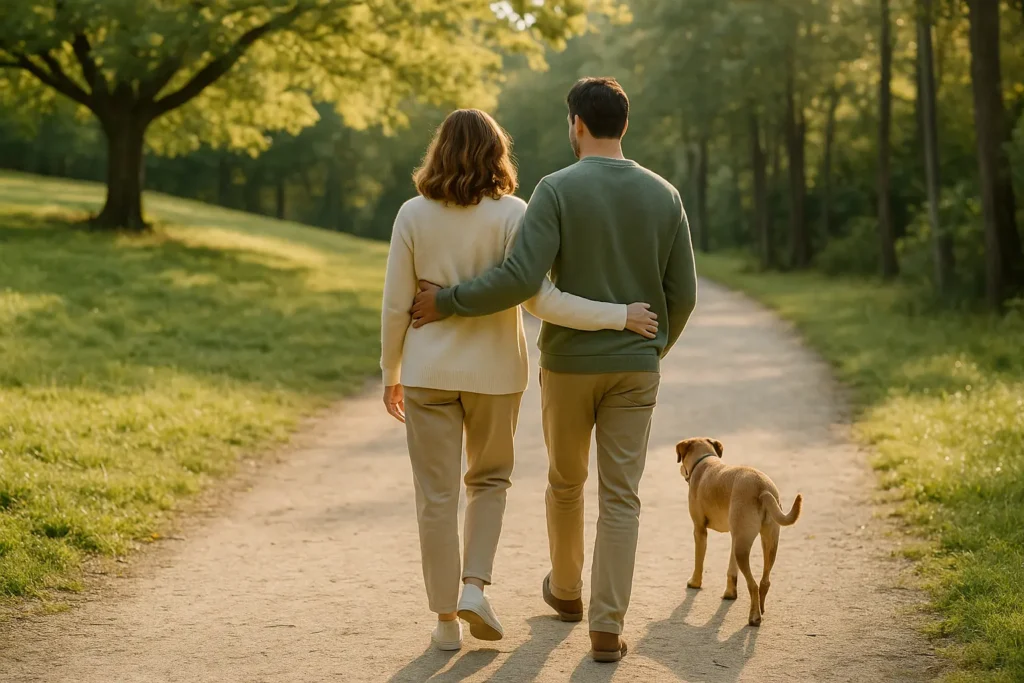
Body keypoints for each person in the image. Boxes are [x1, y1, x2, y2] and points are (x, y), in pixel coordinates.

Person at [410, 77, 698, 662]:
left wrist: (447, 301)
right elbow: (683, 294)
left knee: (566, 482)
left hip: (567, 365)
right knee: (622, 496)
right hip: (634, 369)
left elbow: (521, 281)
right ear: (624, 124)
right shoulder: (665, 194)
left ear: (577, 124)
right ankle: (606, 626)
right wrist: (650, 349)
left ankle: (566, 593)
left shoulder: (556, 189)